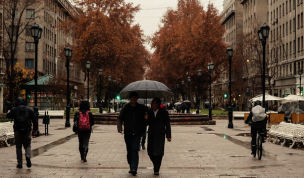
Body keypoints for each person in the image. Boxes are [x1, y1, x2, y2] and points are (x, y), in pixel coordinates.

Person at [117, 91, 148, 176]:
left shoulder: (141, 108)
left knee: (135, 149)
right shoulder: (126, 108)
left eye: (135, 97)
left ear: (137, 99)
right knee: (129, 151)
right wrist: (120, 128)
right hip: (128, 132)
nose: (134, 98)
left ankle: (134, 168)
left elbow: (147, 119)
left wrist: (146, 118)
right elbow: (120, 118)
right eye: (132, 97)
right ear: (130, 98)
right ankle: (131, 165)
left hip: (137, 133)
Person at [6, 97, 38, 168]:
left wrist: (10, 109)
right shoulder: (29, 109)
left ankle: (19, 163)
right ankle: (28, 156)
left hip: (17, 131)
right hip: (27, 131)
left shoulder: (14, 109)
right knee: (27, 145)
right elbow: (35, 120)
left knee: (18, 146)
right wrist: (35, 130)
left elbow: (8, 116)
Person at [146, 97, 172, 175]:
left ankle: (156, 169)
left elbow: (167, 124)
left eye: (153, 102)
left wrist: (168, 135)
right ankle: (156, 164)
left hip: (160, 135)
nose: (151, 104)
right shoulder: (149, 112)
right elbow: (146, 123)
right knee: (150, 151)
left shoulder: (164, 112)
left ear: (157, 104)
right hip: (151, 134)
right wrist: (145, 118)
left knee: (159, 152)